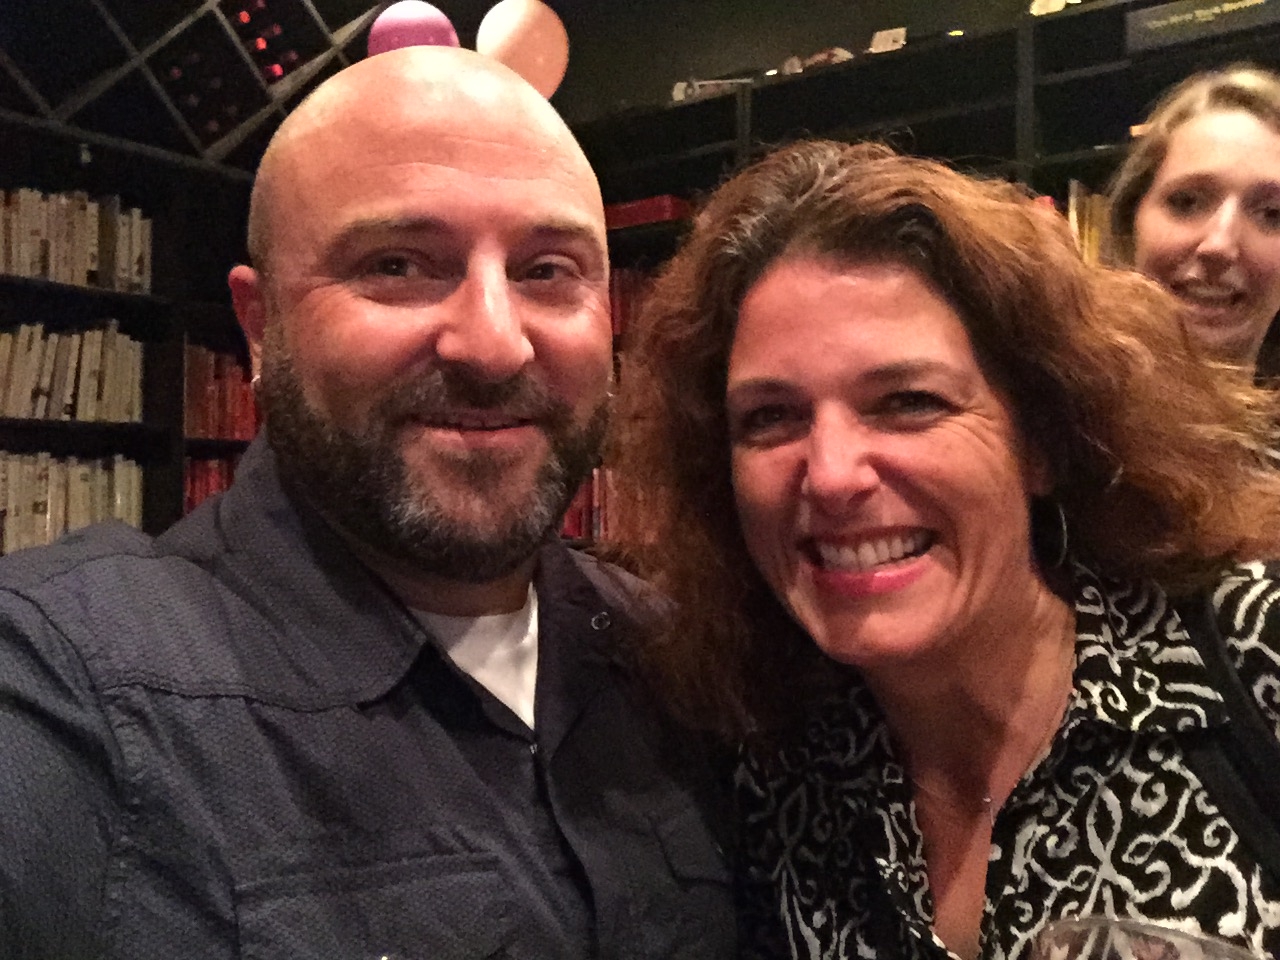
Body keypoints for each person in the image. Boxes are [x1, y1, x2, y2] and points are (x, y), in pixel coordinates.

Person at [0, 47, 735, 959]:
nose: (495, 344)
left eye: (548, 270)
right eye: (398, 263)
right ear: (261, 325)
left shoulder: (683, 664)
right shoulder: (59, 689)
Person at [606, 139, 1280, 960]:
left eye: (907, 402)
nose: (833, 475)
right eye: (771, 418)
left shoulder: (1252, 657)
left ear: (1041, 439)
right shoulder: (767, 769)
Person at [1107, 64, 1280, 379]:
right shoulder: (1038, 418)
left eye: (1272, 214)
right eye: (1186, 202)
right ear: (1130, 223)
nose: (1219, 245)